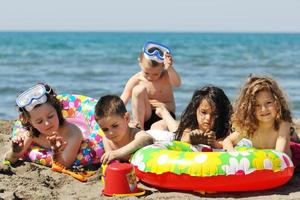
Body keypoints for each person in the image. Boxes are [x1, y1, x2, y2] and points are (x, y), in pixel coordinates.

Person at [4, 83, 83, 168]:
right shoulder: (32, 133)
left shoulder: (73, 133)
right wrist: (14, 152)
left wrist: (56, 152)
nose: (47, 123)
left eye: (50, 116)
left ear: (57, 110)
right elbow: (9, 159)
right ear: (30, 122)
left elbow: (64, 165)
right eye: (39, 121)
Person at [222, 75, 293, 158]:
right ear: (250, 109)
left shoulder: (283, 124)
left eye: (268, 103)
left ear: (277, 102)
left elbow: (279, 155)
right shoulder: (250, 126)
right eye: (257, 105)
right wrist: (233, 155)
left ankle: (293, 134)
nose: (264, 109)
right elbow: (227, 141)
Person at [120, 41, 181, 130]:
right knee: (138, 90)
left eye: (156, 74)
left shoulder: (166, 76)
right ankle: (139, 128)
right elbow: (122, 101)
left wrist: (169, 68)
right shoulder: (136, 80)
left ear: (163, 67)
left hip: (165, 115)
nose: (150, 77)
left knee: (156, 128)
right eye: (146, 73)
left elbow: (177, 83)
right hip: (144, 117)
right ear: (139, 63)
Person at [154, 85, 232, 149]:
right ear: (195, 110)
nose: (208, 118)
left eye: (215, 114)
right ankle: (163, 111)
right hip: (179, 128)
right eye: (203, 112)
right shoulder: (192, 123)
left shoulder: (223, 127)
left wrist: (212, 142)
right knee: (174, 129)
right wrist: (191, 138)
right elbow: (181, 138)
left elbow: (224, 143)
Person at [94, 95, 154, 164]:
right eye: (105, 129)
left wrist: (117, 153)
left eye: (115, 126)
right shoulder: (107, 140)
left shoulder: (134, 134)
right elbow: (111, 161)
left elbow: (147, 139)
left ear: (126, 118)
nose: (111, 133)